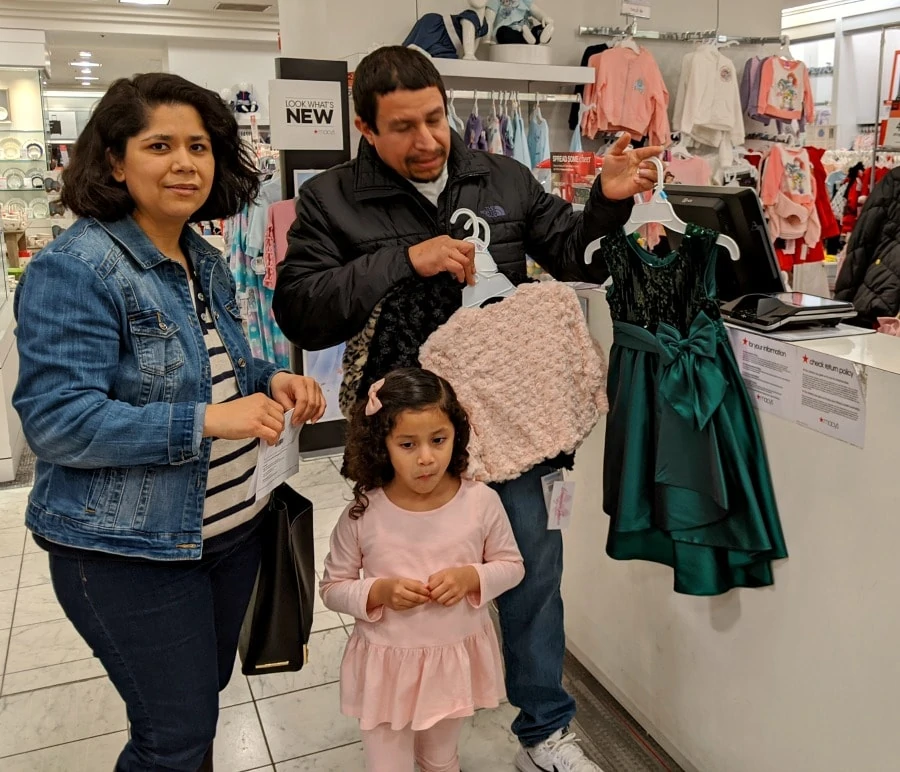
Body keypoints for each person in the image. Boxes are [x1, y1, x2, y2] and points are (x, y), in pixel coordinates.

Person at [273, 45, 660, 772]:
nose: (425, 140)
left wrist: (606, 200)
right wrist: (403, 260)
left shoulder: (503, 175)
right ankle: (410, 726)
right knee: (405, 589)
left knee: (531, 577)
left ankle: (544, 731)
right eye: (402, 127)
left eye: (435, 119)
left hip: (516, 425)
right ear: (365, 128)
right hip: (408, 436)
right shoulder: (331, 197)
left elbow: (579, 257)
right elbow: (301, 312)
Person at [12, 73, 326, 772]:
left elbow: (217, 364)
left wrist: (271, 379)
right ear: (116, 161)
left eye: (200, 145)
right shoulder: (78, 268)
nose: (186, 162)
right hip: (130, 552)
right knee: (173, 738)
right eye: (160, 145)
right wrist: (213, 419)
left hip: (226, 534)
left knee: (194, 713)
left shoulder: (200, 257)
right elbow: (58, 423)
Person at [320, 367, 525, 772]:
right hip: (386, 669)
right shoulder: (364, 513)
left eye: (438, 440)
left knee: (440, 759)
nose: (426, 457)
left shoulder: (480, 502)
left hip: (451, 664)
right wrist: (377, 592)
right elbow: (332, 587)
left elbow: (512, 566)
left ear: (456, 435)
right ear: (383, 445)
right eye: (408, 444)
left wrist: (473, 577)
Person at [834, 166, 900, 327]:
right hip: (883, 300)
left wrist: (842, 306)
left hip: (881, 297)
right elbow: (862, 243)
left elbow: (862, 243)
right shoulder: (896, 181)